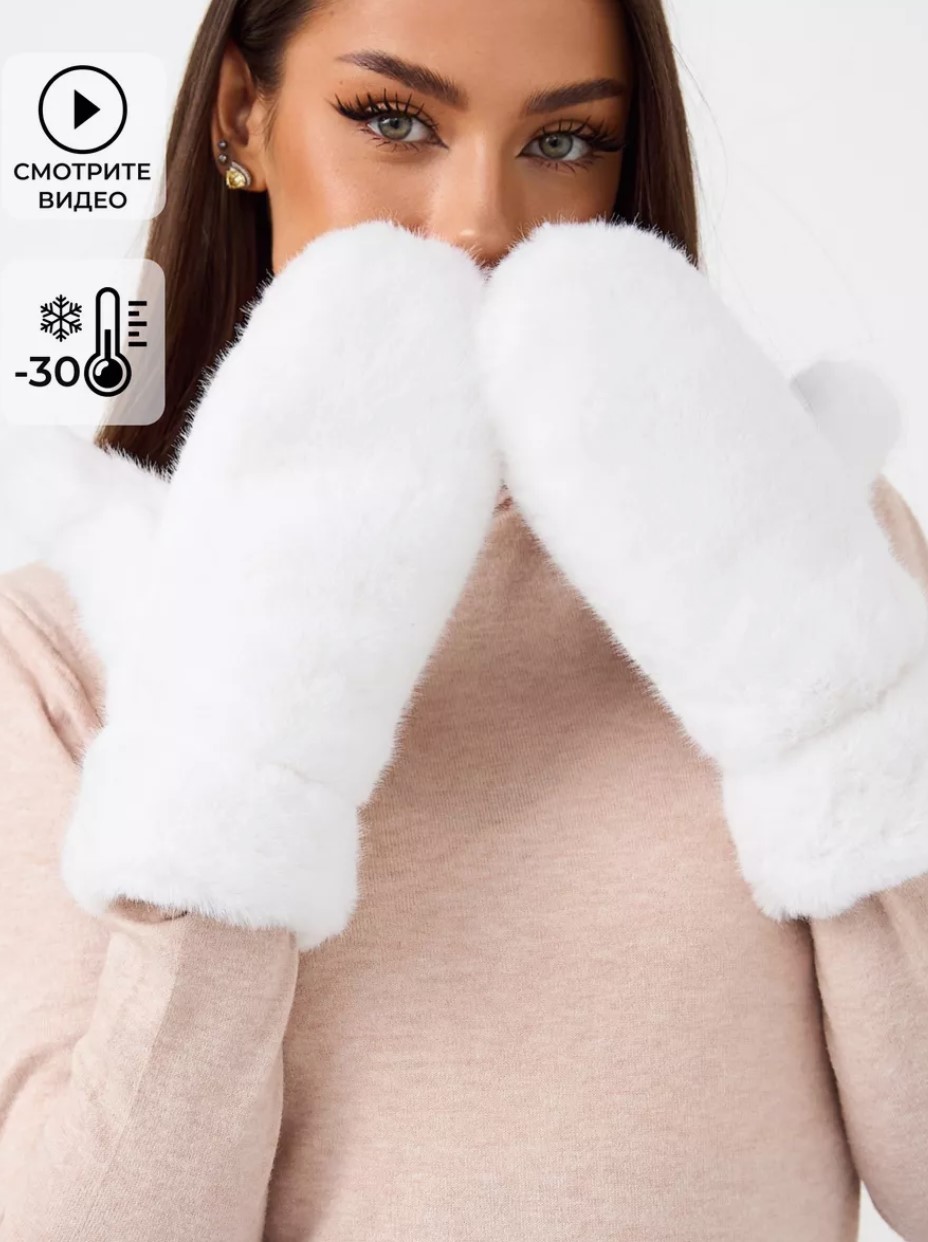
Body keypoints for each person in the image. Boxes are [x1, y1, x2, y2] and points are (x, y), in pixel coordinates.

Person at [1, 1, 927, 1239]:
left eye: (564, 142)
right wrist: (232, 762)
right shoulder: (65, 636)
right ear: (242, 119)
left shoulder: (814, 545)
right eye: (393, 120)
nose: (483, 220)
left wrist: (828, 715)